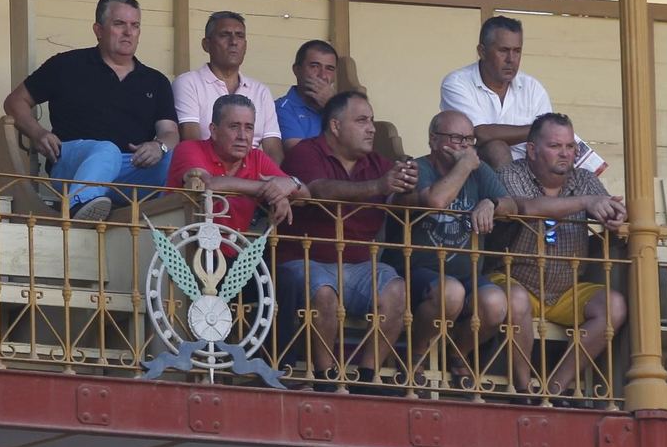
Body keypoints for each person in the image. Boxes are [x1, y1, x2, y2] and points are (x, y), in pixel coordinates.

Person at [279, 91, 419, 387]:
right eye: (362, 120)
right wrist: (378, 186)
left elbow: (399, 201)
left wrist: (409, 187)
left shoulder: (378, 163)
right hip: (303, 260)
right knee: (324, 293)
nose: (371, 128)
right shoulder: (305, 152)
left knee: (396, 289)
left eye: (371, 120)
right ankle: (326, 377)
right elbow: (319, 191)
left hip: (358, 266)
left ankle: (367, 378)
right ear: (335, 126)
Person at [4, 0, 178, 223]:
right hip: (75, 164)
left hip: (132, 168)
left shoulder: (155, 80)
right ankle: (79, 207)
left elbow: (170, 133)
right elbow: (15, 102)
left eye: (134, 25)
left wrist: (159, 147)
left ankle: (178, 222)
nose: (128, 32)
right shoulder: (66, 65)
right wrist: (37, 133)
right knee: (107, 151)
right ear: (98, 30)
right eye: (119, 24)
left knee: (178, 156)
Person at [491, 113, 628, 400]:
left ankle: (556, 388)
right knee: (514, 300)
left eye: (570, 146)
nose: (565, 153)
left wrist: (616, 217)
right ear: (531, 150)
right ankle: (525, 388)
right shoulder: (510, 174)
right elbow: (527, 209)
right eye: (555, 146)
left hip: (566, 290)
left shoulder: (585, 179)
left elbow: (607, 208)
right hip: (513, 279)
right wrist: (586, 202)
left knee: (613, 306)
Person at [397, 110, 533, 386]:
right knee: (451, 293)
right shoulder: (417, 168)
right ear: (433, 140)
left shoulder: (478, 170)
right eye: (456, 138)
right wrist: (465, 164)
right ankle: (417, 353)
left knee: (496, 304)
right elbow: (435, 201)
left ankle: (458, 352)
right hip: (417, 271)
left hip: (466, 272)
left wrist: (492, 202)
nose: (465, 146)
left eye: (469, 140)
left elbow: (512, 205)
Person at [439, 15, 604, 173]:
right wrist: (541, 130)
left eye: (517, 51)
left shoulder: (533, 88)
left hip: (531, 171)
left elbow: (548, 142)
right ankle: (513, 200)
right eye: (503, 50)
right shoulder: (457, 82)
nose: (511, 59)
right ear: (482, 52)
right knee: (496, 148)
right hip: (476, 171)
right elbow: (481, 134)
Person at [168, 94, 307, 235]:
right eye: (234, 126)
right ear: (214, 131)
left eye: (248, 128)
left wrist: (292, 183)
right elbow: (206, 184)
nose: (242, 136)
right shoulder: (188, 148)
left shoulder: (257, 157)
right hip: (181, 249)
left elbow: (304, 197)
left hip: (236, 252)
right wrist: (271, 189)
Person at [172, 11, 284, 164]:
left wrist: (268, 182)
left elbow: (274, 151)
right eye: (224, 35)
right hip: (206, 176)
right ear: (206, 45)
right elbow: (191, 140)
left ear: (245, 45)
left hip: (253, 179)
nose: (233, 41)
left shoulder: (261, 91)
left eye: (239, 36)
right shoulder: (188, 83)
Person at [273, 39, 339, 151]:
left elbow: (357, 143)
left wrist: (332, 105)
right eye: (315, 66)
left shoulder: (339, 106)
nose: (322, 76)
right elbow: (302, 154)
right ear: (296, 70)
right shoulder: (282, 108)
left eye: (329, 69)